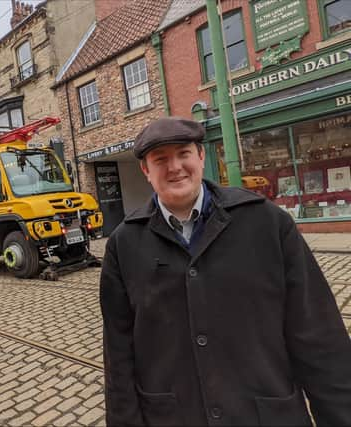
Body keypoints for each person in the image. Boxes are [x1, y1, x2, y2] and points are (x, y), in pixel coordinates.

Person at [100, 116, 351, 426]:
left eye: (183, 154)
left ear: (201, 157)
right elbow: (119, 356)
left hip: (266, 415)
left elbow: (319, 336)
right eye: (160, 159)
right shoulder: (123, 245)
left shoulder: (267, 223)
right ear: (146, 171)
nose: (175, 166)